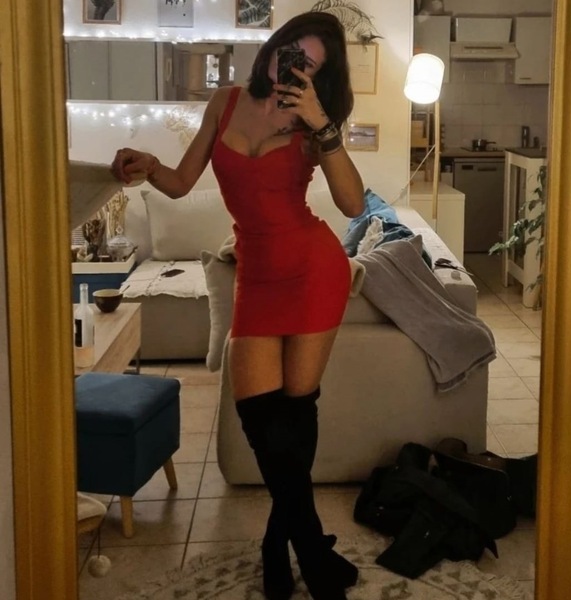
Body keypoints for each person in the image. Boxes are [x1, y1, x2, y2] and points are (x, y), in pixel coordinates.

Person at [110, 11, 364, 600]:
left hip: (312, 271)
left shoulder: (315, 122)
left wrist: (321, 123)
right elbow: (180, 182)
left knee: (295, 418)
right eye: (289, 50)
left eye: (308, 63)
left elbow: (353, 204)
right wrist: (149, 166)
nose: (290, 67)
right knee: (262, 423)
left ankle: (279, 546)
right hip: (258, 275)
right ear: (273, 46)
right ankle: (306, 548)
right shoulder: (224, 102)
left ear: (319, 75)